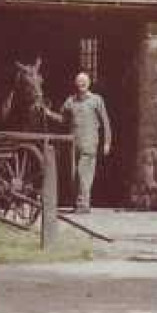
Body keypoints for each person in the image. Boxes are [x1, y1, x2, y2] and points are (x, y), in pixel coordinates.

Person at [48, 72, 111, 213]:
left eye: (84, 82)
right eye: (79, 82)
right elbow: (62, 119)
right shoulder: (70, 101)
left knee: (84, 173)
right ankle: (79, 203)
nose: (81, 84)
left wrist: (107, 142)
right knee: (75, 174)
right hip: (74, 145)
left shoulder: (96, 100)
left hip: (89, 144)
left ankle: (83, 204)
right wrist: (48, 113)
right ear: (75, 84)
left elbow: (105, 122)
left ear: (88, 83)